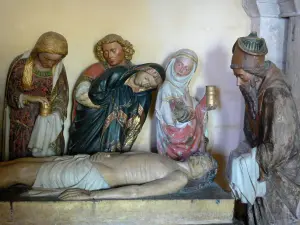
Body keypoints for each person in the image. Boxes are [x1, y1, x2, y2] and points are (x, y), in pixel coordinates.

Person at [227, 32, 300, 225]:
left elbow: (281, 147)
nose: (238, 83)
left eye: (241, 76)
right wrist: (243, 152)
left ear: (256, 74)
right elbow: (253, 134)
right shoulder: (254, 91)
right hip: (265, 175)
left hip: (280, 178)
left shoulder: (276, 95)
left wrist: (250, 160)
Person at [0, 151, 216, 200]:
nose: (204, 159)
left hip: (92, 175)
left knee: (17, 173)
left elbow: (136, 192)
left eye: (207, 164)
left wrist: (91, 195)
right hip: (90, 161)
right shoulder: (169, 159)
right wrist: (107, 154)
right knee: (17, 164)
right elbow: (130, 157)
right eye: (206, 157)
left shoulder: (179, 177)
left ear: (202, 176)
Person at [68, 62, 165, 154]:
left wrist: (125, 149)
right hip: (94, 116)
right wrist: (116, 99)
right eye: (146, 78)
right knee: (83, 146)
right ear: (141, 69)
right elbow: (95, 93)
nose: (144, 84)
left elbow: (137, 123)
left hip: (117, 130)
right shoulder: (118, 73)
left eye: (149, 85)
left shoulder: (144, 96)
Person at [2, 31, 69, 160]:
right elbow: (10, 94)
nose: (50, 64)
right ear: (38, 51)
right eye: (47, 59)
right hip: (23, 125)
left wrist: (54, 115)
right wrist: (28, 98)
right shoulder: (21, 65)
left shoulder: (58, 69)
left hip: (47, 124)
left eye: (55, 60)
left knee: (43, 165)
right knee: (21, 162)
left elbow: (62, 96)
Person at [155, 49, 208, 161]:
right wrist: (190, 110)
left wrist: (199, 106)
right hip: (174, 138)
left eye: (187, 68)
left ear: (191, 72)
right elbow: (169, 120)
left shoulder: (183, 89)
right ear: (173, 63)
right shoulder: (166, 88)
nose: (182, 70)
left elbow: (189, 107)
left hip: (184, 134)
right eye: (180, 64)